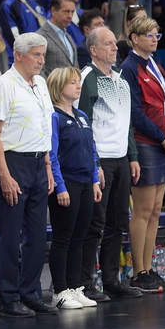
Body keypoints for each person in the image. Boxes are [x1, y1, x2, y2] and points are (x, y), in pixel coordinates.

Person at [0, 32, 57, 317]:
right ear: (18, 55)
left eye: (43, 54)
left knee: (37, 234)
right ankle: (8, 296)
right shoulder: (4, 85)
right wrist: (4, 175)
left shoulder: (41, 83)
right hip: (12, 162)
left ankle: (31, 293)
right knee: (10, 234)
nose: (41, 60)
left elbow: (44, 128)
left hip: (39, 162)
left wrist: (48, 166)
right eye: (36, 54)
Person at [78, 27, 142, 301]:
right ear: (93, 50)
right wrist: (94, 164)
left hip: (121, 158)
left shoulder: (121, 79)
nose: (116, 48)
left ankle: (111, 280)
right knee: (95, 224)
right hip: (100, 159)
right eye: (109, 44)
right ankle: (85, 283)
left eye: (115, 43)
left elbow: (127, 122)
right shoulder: (87, 78)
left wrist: (133, 156)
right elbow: (83, 124)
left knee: (118, 223)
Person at [120, 16, 165, 293]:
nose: (155, 39)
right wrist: (162, 137)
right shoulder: (129, 67)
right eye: (149, 35)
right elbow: (135, 112)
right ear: (134, 38)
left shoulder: (156, 64)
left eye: (157, 35)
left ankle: (148, 268)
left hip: (163, 141)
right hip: (146, 142)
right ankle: (138, 273)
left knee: (155, 210)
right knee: (142, 211)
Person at [46, 66, 102, 310]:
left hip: (85, 182)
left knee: (79, 238)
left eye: (79, 82)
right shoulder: (54, 116)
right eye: (73, 83)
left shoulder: (81, 115)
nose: (79, 86)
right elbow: (52, 154)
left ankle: (75, 287)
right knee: (63, 238)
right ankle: (60, 291)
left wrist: (95, 179)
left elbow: (92, 149)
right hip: (66, 181)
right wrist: (59, 186)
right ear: (59, 87)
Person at [36, 0, 78, 79]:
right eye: (66, 11)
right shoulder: (40, 37)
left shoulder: (68, 36)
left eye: (72, 12)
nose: (70, 16)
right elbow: (38, 72)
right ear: (53, 11)